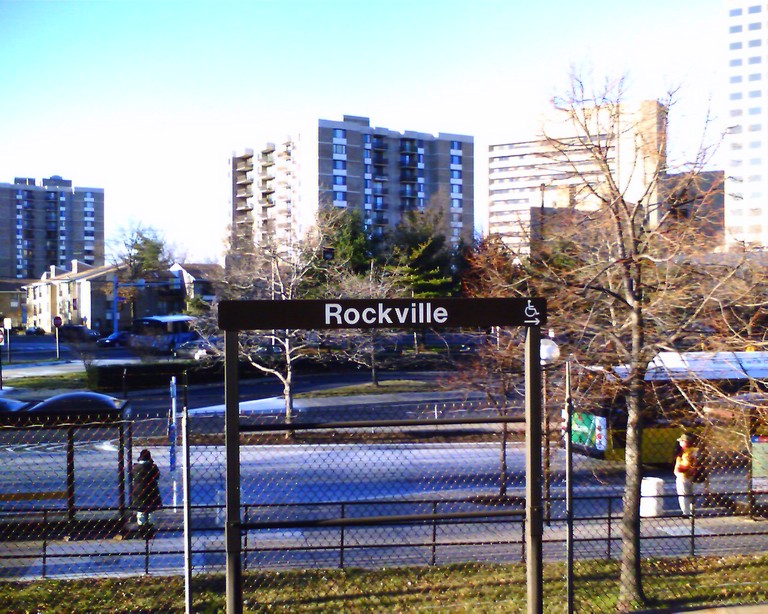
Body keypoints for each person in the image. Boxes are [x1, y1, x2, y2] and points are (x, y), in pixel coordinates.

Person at [132, 449, 162, 527]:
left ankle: (141, 528)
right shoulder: (153, 467)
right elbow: (157, 477)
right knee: (151, 512)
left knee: (140, 511)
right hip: (151, 492)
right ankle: (150, 528)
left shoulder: (135, 467)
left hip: (138, 493)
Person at [674, 433, 698, 516]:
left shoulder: (687, 452)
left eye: (681, 441)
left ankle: (686, 512)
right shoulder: (693, 451)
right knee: (689, 493)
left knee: (683, 494)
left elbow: (686, 464)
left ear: (685, 442)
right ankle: (691, 510)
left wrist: (680, 469)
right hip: (688, 475)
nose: (680, 443)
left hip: (683, 475)